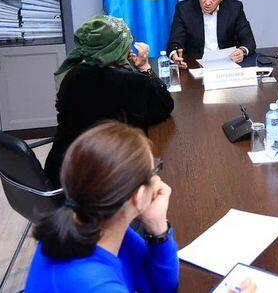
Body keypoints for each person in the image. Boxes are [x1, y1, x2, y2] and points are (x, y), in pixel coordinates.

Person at [26, 121, 179, 292]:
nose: (157, 180)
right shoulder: (99, 284)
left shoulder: (87, 223)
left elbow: (159, 287)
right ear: (139, 196)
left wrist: (157, 227)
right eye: (154, 171)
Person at [44, 15, 173, 187]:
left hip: (61, 172)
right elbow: (165, 106)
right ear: (117, 50)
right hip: (103, 184)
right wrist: (144, 67)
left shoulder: (72, 75)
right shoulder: (133, 82)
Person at [167, 0, 256, 69]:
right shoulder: (184, 9)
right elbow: (175, 42)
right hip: (195, 65)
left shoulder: (234, 8)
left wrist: (242, 51)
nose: (207, 2)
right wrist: (175, 56)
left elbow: (248, 40)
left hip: (227, 64)